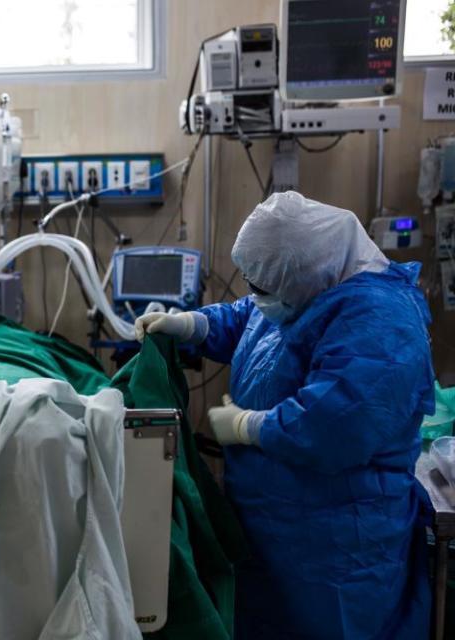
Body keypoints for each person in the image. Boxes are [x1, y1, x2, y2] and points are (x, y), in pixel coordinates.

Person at [135, 191, 434, 639]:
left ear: (306, 272)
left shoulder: (380, 320)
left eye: (264, 284)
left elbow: (339, 422)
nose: (255, 294)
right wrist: (195, 325)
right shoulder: (306, 290)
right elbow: (252, 316)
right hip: (273, 528)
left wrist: (248, 427)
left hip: (336, 545)